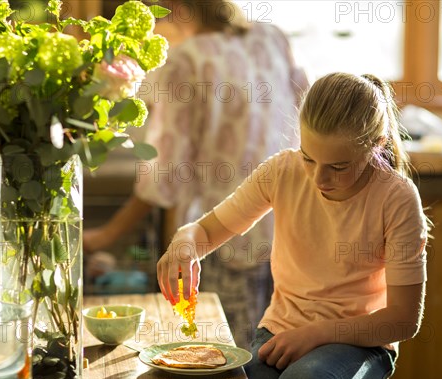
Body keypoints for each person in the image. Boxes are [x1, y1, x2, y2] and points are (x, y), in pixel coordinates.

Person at [156, 72, 429, 379]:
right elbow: (204, 230)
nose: (318, 178)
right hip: (280, 330)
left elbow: (403, 320)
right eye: (308, 158)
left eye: (338, 167)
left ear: (377, 144)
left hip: (361, 345)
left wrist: (315, 334)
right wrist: (183, 247)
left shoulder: (396, 197)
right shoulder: (282, 171)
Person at [83, 0, 308, 350]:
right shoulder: (272, 38)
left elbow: (164, 175)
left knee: (229, 358)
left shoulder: (187, 59)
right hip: (288, 229)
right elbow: (302, 119)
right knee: (275, 353)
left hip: (222, 234)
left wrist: (106, 235)